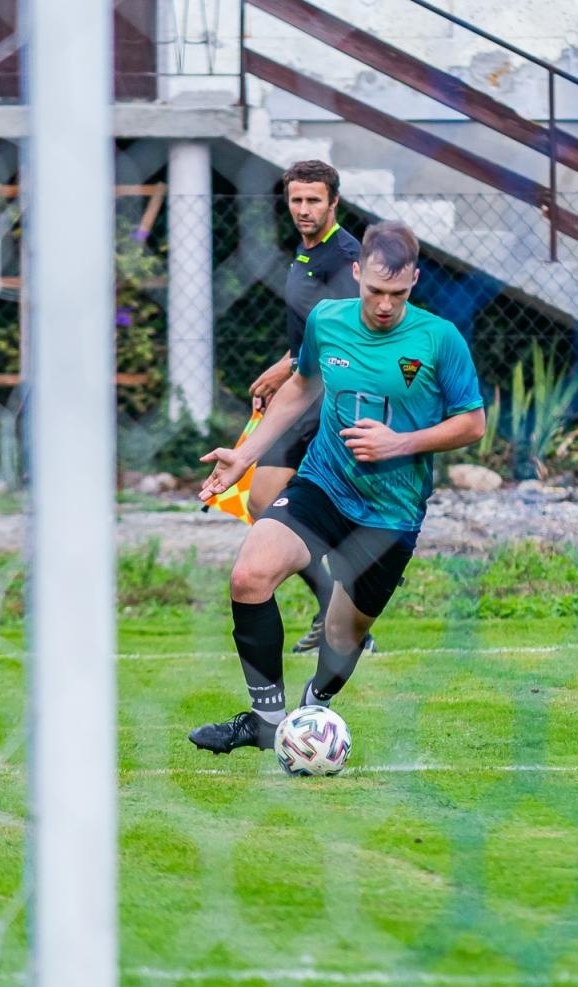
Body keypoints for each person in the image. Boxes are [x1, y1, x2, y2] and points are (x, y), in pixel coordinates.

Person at [189, 220, 486, 754]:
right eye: (375, 291)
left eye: (397, 293)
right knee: (250, 576)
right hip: (322, 485)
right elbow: (301, 386)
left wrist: (400, 443)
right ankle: (266, 719)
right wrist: (246, 455)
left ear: (415, 280)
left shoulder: (439, 338)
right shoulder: (327, 320)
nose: (384, 305)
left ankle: (314, 710)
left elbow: (472, 423)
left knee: (343, 635)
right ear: (356, 273)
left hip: (389, 514)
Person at [248, 159, 370, 654]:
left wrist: (294, 373)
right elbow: (309, 338)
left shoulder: (344, 258)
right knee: (262, 504)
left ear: (333, 202)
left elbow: (343, 341)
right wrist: (286, 366)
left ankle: (349, 604)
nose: (303, 209)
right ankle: (335, 603)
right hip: (301, 395)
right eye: (296, 200)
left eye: (313, 200)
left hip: (328, 403)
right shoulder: (305, 253)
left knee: (286, 508)